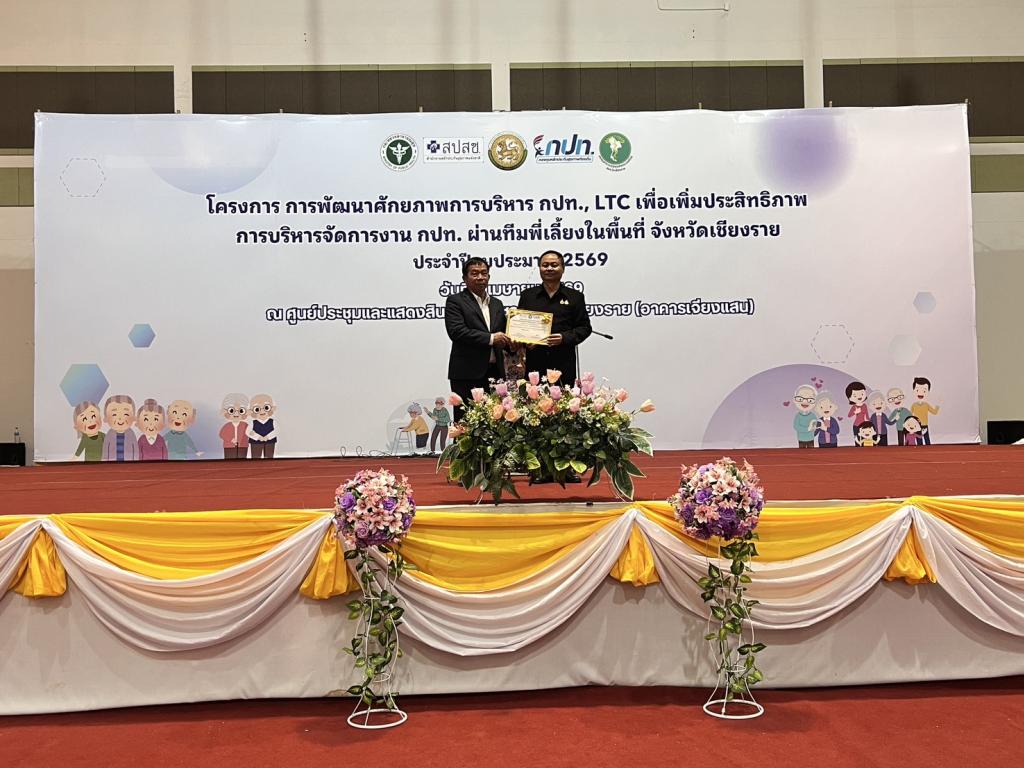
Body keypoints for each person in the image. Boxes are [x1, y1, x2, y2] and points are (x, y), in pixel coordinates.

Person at [445, 257, 510, 421]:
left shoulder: (497, 303)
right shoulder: (455, 301)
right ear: (464, 278)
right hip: (467, 373)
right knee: (466, 423)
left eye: (484, 273)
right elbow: (457, 332)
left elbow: (503, 334)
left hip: (495, 372)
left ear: (489, 277)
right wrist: (491, 338)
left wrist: (514, 343)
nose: (480, 277)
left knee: (496, 422)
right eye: (474, 273)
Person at [517, 250, 592, 386]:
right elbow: (520, 327)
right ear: (539, 268)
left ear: (563, 269)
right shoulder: (527, 296)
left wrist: (564, 338)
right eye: (545, 265)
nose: (549, 268)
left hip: (564, 362)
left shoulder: (575, 297)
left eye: (554, 265)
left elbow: (585, 328)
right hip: (535, 363)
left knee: (563, 398)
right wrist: (525, 341)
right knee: (533, 398)